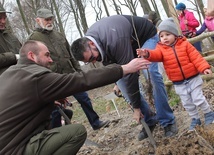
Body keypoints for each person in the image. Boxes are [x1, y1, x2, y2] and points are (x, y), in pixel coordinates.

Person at [0, 40, 150, 155]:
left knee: (66, 114)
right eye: (47, 55)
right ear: (32, 56)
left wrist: (49, 100)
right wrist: (124, 68)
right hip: (14, 149)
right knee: (76, 132)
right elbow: (81, 80)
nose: (51, 60)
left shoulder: (9, 74)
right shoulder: (36, 76)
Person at [71, 15, 178, 141]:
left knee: (151, 74)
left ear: (90, 44)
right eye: (89, 62)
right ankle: (150, 120)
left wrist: (136, 107)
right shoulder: (94, 42)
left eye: (91, 58)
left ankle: (167, 120)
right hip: (127, 47)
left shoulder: (115, 39)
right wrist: (117, 82)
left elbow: (131, 74)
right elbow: (112, 65)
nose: (94, 61)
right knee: (123, 86)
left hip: (144, 38)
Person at [28, 8, 109, 130]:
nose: (49, 22)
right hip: (53, 79)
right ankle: (57, 132)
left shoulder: (58, 35)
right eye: (46, 19)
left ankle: (95, 122)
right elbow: (36, 62)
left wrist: (78, 71)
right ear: (38, 20)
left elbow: (71, 55)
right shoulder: (34, 39)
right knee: (56, 108)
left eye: (51, 19)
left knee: (84, 98)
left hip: (70, 74)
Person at [137, 17, 214, 131]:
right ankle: (195, 118)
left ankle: (208, 113)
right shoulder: (161, 49)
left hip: (193, 78)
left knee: (198, 98)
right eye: (162, 36)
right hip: (178, 82)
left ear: (175, 34)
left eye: (167, 34)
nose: (164, 38)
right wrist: (146, 53)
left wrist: (204, 67)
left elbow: (196, 57)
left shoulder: (184, 44)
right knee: (187, 103)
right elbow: (155, 55)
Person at [0, 6, 21, 74]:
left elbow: (22, 51)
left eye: (4, 18)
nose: (3, 21)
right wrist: (13, 57)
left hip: (22, 75)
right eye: (0, 18)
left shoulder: (11, 36)